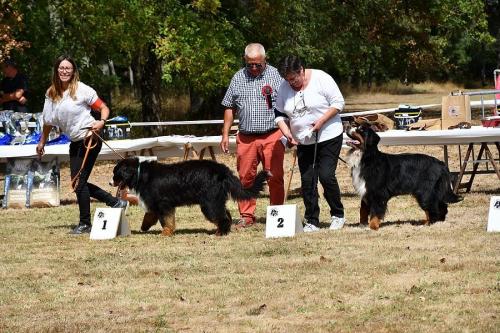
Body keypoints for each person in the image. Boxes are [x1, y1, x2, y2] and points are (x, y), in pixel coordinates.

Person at [36, 55, 127, 235]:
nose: (64, 71)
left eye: (68, 68)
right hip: (74, 142)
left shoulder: (83, 90)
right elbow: (47, 121)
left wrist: (101, 122)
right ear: (56, 70)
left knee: (79, 183)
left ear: (73, 71)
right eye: (61, 68)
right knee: (78, 183)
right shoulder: (51, 93)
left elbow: (104, 108)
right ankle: (115, 202)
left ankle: (85, 223)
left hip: (89, 139)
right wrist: (42, 141)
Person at [274, 55, 346, 232]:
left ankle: (337, 215)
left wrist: (321, 121)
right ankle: (312, 220)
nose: (290, 82)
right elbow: (279, 114)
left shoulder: (321, 78)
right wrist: (288, 133)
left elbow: (338, 103)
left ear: (301, 70)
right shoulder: (284, 87)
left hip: (328, 135)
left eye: (293, 78)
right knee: (308, 179)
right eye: (287, 79)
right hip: (303, 140)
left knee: (326, 175)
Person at [220, 43, 285, 228]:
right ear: (245, 61)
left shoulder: (276, 76)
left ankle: (277, 213)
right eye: (250, 65)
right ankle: (247, 215)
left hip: (272, 134)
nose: (254, 68)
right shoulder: (238, 77)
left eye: (258, 64)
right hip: (246, 137)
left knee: (275, 176)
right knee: (245, 178)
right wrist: (225, 134)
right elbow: (229, 107)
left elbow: (288, 103)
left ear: (265, 60)